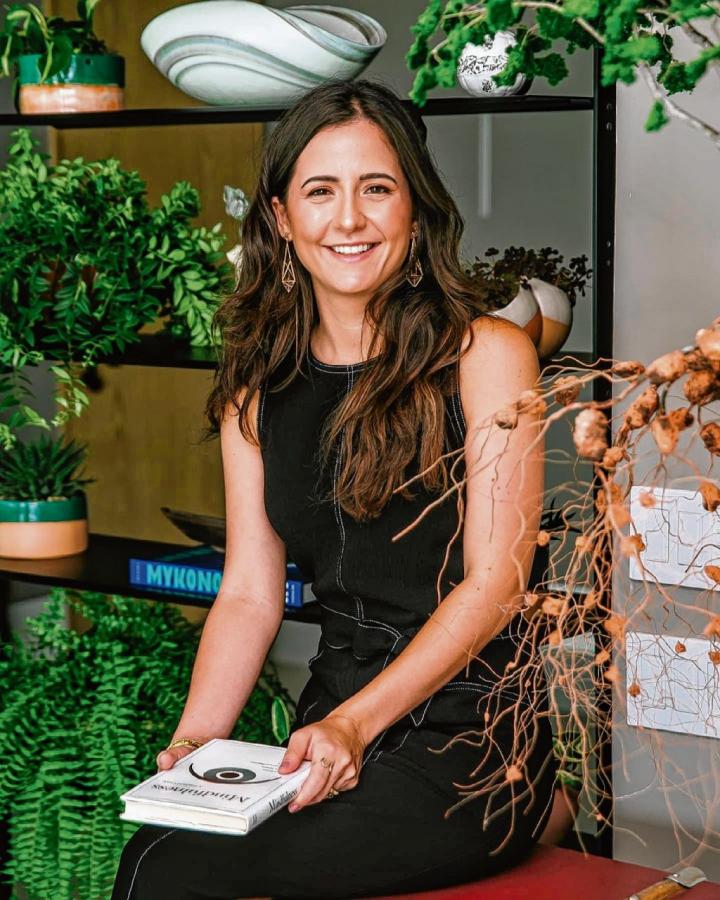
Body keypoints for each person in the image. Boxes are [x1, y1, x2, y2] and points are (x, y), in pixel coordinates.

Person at [112, 78, 556, 900]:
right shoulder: (257, 387)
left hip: (473, 736)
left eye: (376, 188)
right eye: (320, 191)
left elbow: (497, 583)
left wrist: (357, 723)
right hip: (328, 723)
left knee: (242, 875)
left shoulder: (488, 354)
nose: (348, 219)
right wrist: (194, 746)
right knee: (154, 856)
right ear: (282, 217)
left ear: (415, 211)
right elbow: (249, 594)